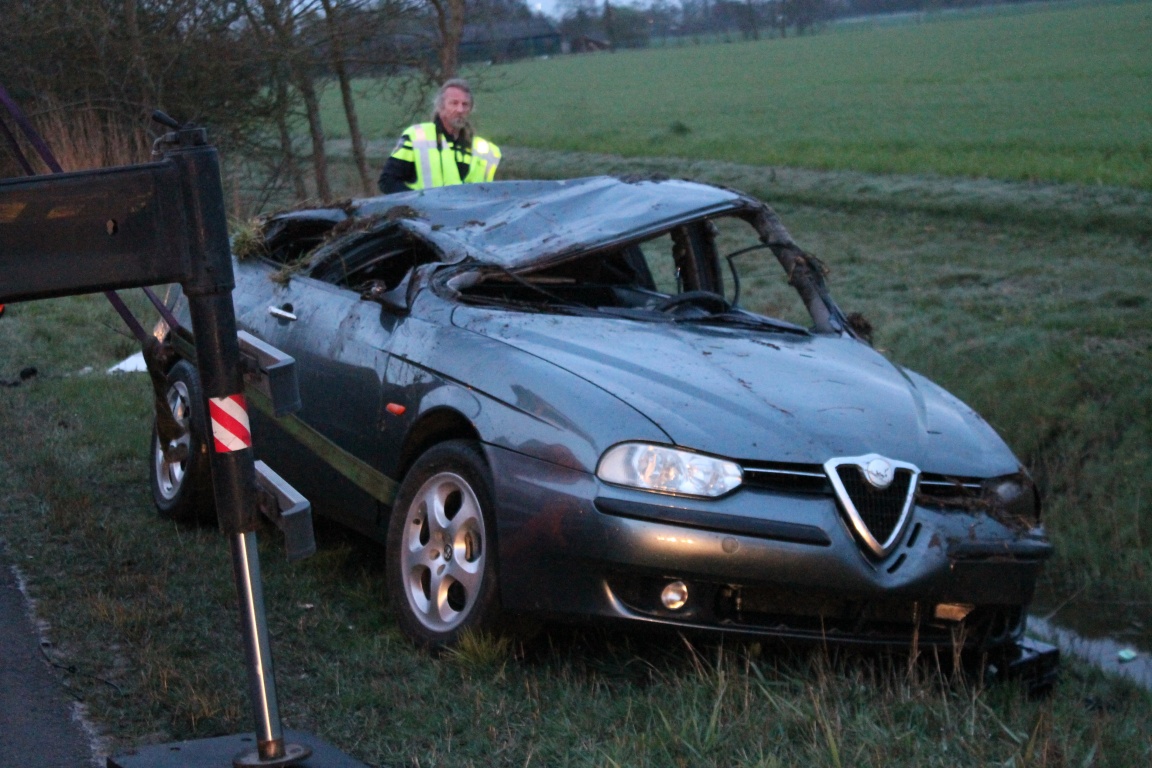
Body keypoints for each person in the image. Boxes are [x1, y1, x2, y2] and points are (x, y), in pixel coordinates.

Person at [377, 79, 501, 194]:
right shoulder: (417, 137)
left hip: (469, 211)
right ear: (440, 107)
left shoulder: (485, 150)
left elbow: (488, 194)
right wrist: (418, 201)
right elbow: (387, 182)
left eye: (465, 104)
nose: (460, 110)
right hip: (424, 211)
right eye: (454, 103)